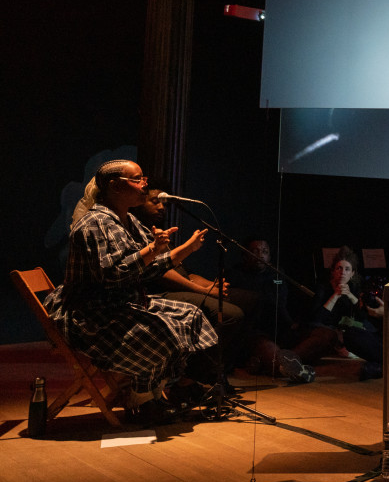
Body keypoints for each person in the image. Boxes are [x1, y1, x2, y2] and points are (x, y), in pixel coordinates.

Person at [46, 160, 219, 425]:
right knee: (160, 330)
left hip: (123, 305)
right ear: (115, 186)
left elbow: (147, 270)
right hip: (93, 316)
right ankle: (142, 399)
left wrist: (186, 248)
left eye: (143, 178)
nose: (144, 185)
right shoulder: (94, 224)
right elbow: (113, 274)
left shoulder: (128, 221)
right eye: (137, 179)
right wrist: (152, 250)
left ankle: (152, 391)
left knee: (191, 315)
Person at [132, 183, 260, 370]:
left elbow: (187, 273)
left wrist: (213, 285)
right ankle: (197, 372)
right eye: (155, 202)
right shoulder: (138, 231)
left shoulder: (157, 231)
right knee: (232, 315)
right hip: (163, 292)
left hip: (185, 285)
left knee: (252, 300)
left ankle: (226, 366)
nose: (161, 207)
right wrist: (205, 290)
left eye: (164, 204)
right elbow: (163, 274)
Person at [222, 238, 315, 384]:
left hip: (282, 327)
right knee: (268, 348)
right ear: (245, 255)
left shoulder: (277, 274)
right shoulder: (234, 274)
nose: (261, 255)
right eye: (255, 251)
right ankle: (289, 367)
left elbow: (281, 303)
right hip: (255, 332)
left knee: (325, 334)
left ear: (270, 257)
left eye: (265, 252)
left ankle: (276, 363)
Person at [304, 247, 383, 378]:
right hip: (326, 329)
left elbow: (364, 316)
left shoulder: (354, 288)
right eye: (339, 268)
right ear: (333, 271)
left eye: (347, 269)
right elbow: (317, 318)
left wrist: (351, 296)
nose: (342, 273)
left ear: (352, 273)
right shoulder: (323, 288)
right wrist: (335, 295)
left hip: (345, 328)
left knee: (366, 329)